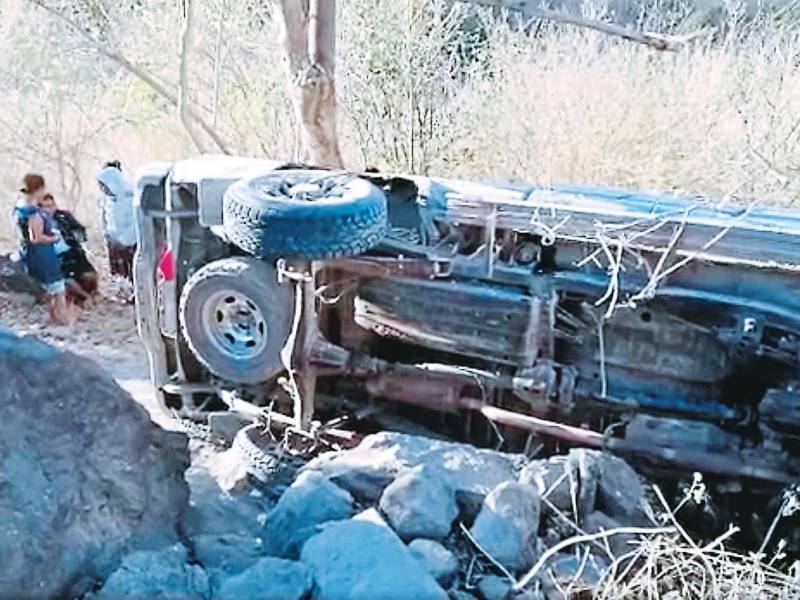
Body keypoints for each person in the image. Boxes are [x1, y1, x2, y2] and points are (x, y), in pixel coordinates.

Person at [13, 174, 76, 325]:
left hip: (26, 253)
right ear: (39, 189)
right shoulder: (33, 212)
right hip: (42, 254)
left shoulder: (18, 207)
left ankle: (54, 318)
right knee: (58, 289)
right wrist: (55, 238)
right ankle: (64, 320)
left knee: (48, 290)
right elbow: (36, 237)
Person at [38, 193, 98, 304]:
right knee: (67, 281)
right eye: (45, 207)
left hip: (72, 251)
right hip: (55, 257)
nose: (49, 210)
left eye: (51, 206)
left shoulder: (63, 216)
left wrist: (83, 244)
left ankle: (89, 293)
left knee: (90, 276)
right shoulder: (37, 222)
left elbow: (79, 230)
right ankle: (84, 297)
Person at [97, 161, 136, 295]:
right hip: (115, 240)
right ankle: (126, 289)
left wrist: (125, 238)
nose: (102, 189)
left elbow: (134, 221)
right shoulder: (110, 198)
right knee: (120, 269)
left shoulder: (130, 196)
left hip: (130, 241)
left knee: (132, 268)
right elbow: (107, 218)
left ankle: (135, 292)